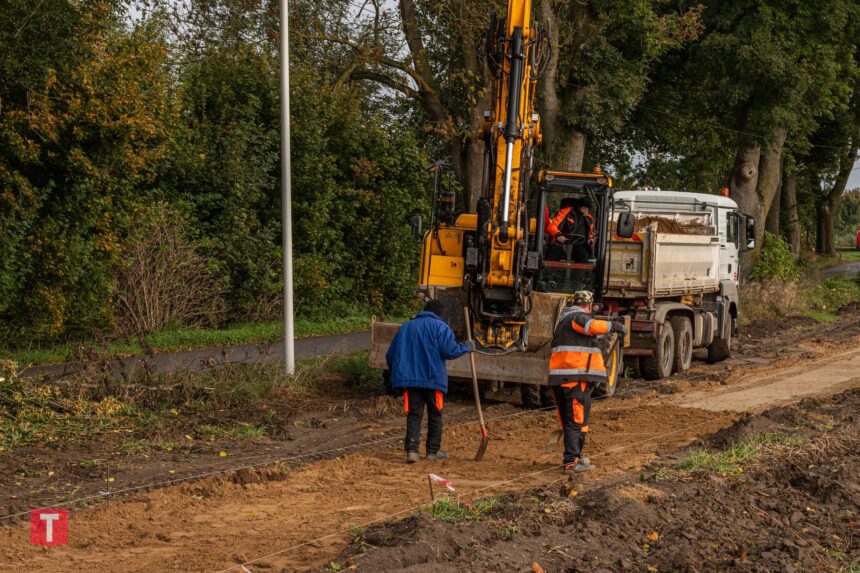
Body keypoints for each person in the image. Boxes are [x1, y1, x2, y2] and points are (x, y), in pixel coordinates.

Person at [548, 290, 627, 473]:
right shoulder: (577, 317)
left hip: (565, 378)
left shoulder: (562, 322)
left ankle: (576, 457)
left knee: (578, 421)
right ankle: (571, 462)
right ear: (590, 305)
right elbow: (591, 325)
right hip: (574, 379)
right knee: (576, 420)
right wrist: (615, 325)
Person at [386, 299, 474, 463]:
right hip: (434, 380)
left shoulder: (406, 327)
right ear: (439, 313)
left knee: (414, 415)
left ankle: (412, 451)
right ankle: (432, 452)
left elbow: (390, 356)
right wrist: (467, 347)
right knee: (435, 415)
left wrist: (396, 376)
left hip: (411, 382)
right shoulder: (441, 327)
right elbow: (449, 350)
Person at [545, 197, 580, 261]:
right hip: (559, 243)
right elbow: (551, 227)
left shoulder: (587, 218)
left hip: (577, 245)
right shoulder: (563, 213)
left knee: (583, 254)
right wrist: (559, 235)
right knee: (553, 253)